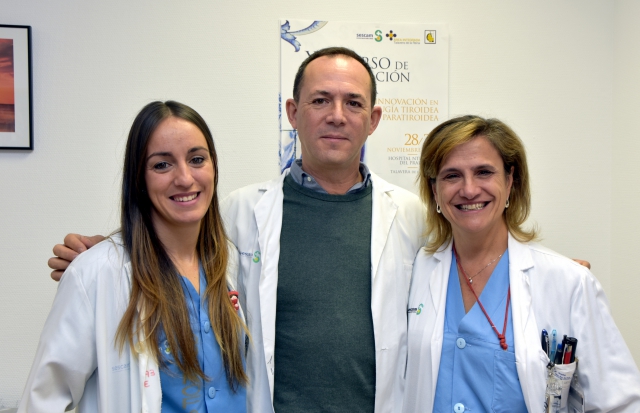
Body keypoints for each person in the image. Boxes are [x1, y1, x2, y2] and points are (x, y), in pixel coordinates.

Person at [46, 48, 427, 413]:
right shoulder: (240, 212)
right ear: (293, 113)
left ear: (373, 119)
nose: (337, 116)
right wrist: (115, 254)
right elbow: (174, 242)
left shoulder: (413, 217)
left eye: (354, 103)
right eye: (321, 100)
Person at [21, 101, 248, 412]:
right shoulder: (99, 273)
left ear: (214, 167)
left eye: (197, 159)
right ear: (139, 178)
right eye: (162, 165)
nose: (184, 178)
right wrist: (91, 266)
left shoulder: (232, 262)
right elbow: (41, 402)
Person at [402, 115, 640, 413]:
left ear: (510, 180)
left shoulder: (568, 282)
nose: (469, 189)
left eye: (484, 172)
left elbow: (620, 403)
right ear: (435, 190)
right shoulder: (414, 271)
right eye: (452, 176)